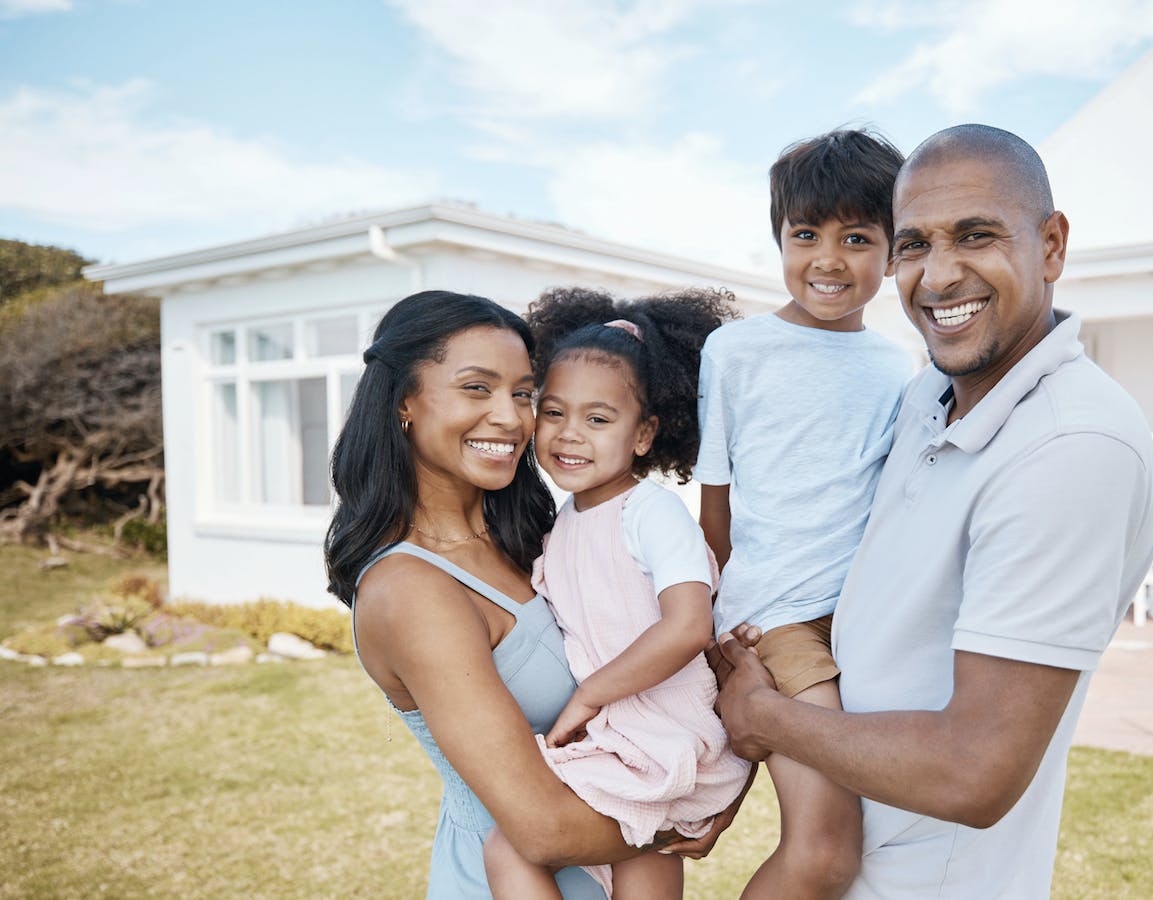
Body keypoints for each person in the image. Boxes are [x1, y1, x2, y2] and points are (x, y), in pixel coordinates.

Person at [713, 124, 1153, 898]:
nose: (940, 274)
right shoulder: (924, 396)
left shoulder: (1071, 445)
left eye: (976, 236)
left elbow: (973, 772)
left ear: (1052, 245)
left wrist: (763, 716)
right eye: (915, 244)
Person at [324, 290, 737, 900]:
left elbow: (689, 657)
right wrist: (691, 806)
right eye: (476, 388)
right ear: (405, 402)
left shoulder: (545, 542)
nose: (511, 419)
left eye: (523, 394)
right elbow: (541, 832)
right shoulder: (411, 590)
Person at [694, 127, 912, 899]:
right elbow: (713, 509)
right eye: (806, 234)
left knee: (884, 840)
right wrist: (715, 630)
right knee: (824, 851)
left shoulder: (901, 366)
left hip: (870, 622)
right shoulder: (734, 351)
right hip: (779, 621)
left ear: (892, 251)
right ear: (778, 238)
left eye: (857, 237)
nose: (828, 259)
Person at [482, 287, 751, 900]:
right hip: (624, 739)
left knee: (509, 846)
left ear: (644, 434)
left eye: (598, 420)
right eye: (553, 413)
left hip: (663, 738)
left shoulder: (651, 512)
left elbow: (688, 626)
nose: (570, 435)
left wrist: (589, 698)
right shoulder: (564, 525)